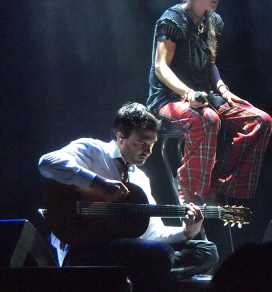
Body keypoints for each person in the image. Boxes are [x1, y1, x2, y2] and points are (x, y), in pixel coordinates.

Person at [38, 102, 219, 291]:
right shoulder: (93, 151)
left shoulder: (140, 179)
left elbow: (152, 233)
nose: (148, 151)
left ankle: (137, 277)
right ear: (120, 138)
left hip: (128, 251)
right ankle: (149, 273)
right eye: (141, 143)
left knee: (206, 250)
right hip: (83, 248)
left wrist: (187, 231)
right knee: (160, 254)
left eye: (152, 144)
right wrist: (98, 183)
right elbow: (47, 163)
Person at [147, 0, 272, 206]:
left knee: (260, 121)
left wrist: (224, 90)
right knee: (207, 120)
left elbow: (210, 62)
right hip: (168, 101)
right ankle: (192, 195)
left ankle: (217, 185)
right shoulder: (172, 20)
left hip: (205, 96)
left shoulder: (213, 21)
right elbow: (160, 67)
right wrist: (188, 94)